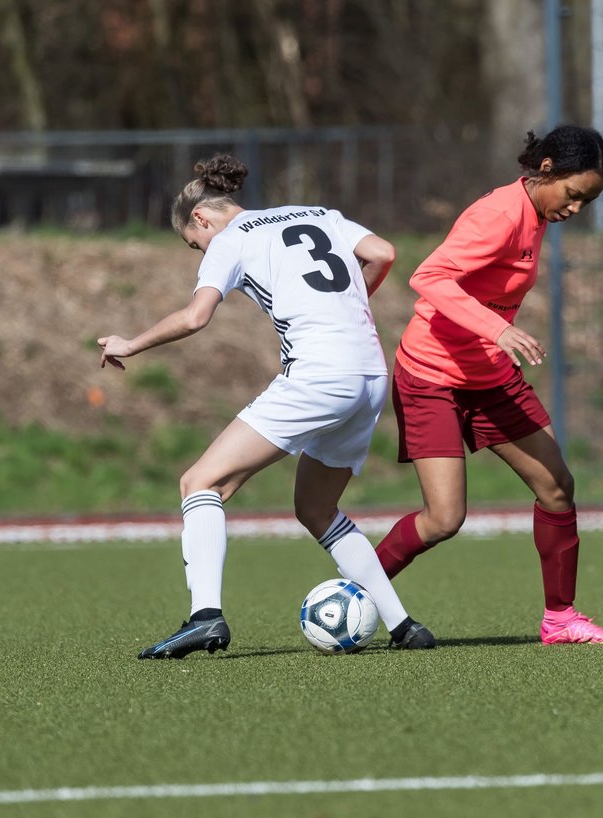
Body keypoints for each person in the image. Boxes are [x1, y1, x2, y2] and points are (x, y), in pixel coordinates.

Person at [97, 153, 436, 657]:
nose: (200, 251)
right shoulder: (316, 214)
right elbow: (384, 252)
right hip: (368, 375)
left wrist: (130, 343)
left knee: (199, 482)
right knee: (316, 508)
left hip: (319, 374)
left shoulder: (230, 239)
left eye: (195, 245)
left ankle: (204, 617)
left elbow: (195, 317)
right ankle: (405, 626)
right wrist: (347, 305)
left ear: (201, 218)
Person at [372, 125, 603, 645]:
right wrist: (499, 327)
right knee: (444, 519)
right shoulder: (499, 215)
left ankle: (560, 620)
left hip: (490, 375)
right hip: (432, 375)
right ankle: (353, 591)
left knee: (557, 487)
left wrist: (494, 336)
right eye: (574, 195)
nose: (576, 210)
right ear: (547, 169)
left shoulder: (538, 212)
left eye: (588, 203)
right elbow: (429, 278)